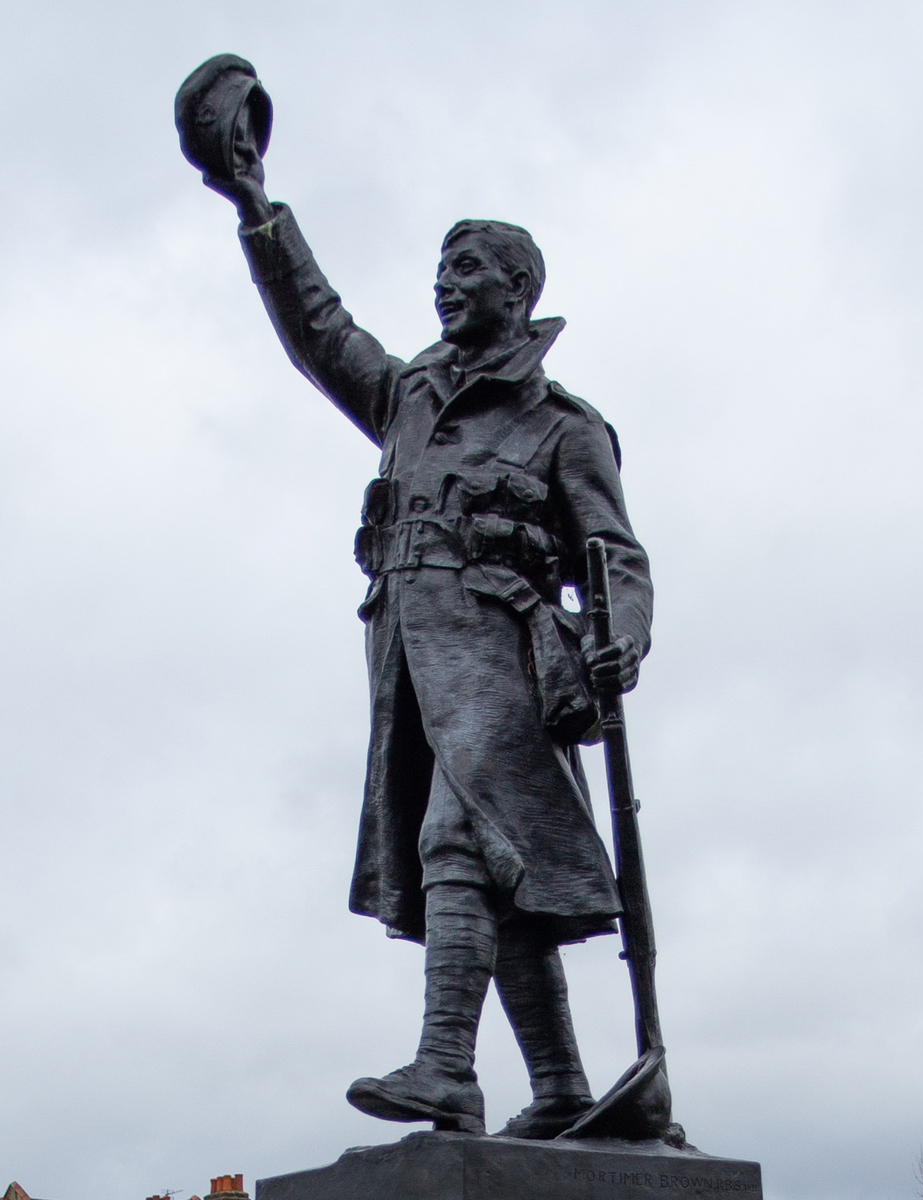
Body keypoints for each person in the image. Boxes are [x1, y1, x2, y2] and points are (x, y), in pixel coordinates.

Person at [179, 60, 653, 1140]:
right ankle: (567, 1088)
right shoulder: (409, 398)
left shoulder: (561, 424)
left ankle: (448, 1069)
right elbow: (318, 326)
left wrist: (620, 637)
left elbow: (615, 552)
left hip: (507, 660)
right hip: (411, 665)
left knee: (461, 841)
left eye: (471, 266)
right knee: (504, 876)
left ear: (518, 291)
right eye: (441, 264)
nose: (447, 281)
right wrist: (257, 206)